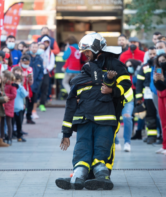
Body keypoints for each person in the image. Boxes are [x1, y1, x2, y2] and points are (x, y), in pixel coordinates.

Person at [56, 33, 131, 190]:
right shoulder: (83, 75)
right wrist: (66, 132)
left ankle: (103, 176)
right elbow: (70, 106)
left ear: (97, 48)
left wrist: (112, 90)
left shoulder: (113, 64)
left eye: (88, 51)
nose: (86, 55)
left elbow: (126, 84)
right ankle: (83, 175)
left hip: (110, 113)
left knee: (105, 147)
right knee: (85, 146)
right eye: (84, 52)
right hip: (89, 117)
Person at [114, 58, 139, 152]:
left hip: (128, 100)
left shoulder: (127, 74)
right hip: (115, 101)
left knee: (127, 118)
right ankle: (115, 141)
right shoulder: (110, 74)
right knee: (112, 120)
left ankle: (127, 142)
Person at [136, 47, 158, 144]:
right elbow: (139, 83)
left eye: (154, 53)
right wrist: (139, 97)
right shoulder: (145, 67)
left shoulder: (161, 66)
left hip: (159, 94)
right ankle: (151, 136)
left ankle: (160, 136)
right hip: (148, 95)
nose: (152, 56)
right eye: (150, 54)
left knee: (159, 117)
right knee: (149, 116)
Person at [153, 53, 166, 154]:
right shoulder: (158, 70)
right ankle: (165, 145)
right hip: (160, 96)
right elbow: (159, 86)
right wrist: (156, 81)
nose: (162, 62)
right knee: (163, 122)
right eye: (160, 61)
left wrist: (163, 79)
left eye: (164, 60)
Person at [15, 55, 34, 124]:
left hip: (26, 91)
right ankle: (16, 128)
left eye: (27, 63)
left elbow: (31, 83)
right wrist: (22, 76)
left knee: (24, 109)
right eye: (24, 63)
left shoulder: (30, 69)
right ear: (21, 61)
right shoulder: (15, 67)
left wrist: (30, 78)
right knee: (18, 110)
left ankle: (20, 127)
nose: (26, 65)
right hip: (17, 91)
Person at [27, 42, 44, 120]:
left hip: (36, 82)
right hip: (27, 82)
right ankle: (26, 112)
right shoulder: (26, 57)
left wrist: (39, 80)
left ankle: (33, 112)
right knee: (27, 98)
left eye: (36, 47)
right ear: (30, 48)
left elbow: (41, 71)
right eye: (33, 47)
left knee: (34, 98)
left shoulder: (39, 58)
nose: (34, 49)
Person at [39, 37, 55, 112]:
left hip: (46, 73)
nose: (46, 44)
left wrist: (47, 69)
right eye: (44, 42)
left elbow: (52, 63)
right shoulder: (38, 52)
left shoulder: (50, 53)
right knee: (36, 88)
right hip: (38, 72)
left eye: (47, 42)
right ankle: (33, 103)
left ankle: (42, 104)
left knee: (45, 88)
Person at [13, 70, 28, 142]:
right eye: (15, 81)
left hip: (19, 108)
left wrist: (19, 87)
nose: (16, 83)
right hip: (11, 108)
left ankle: (19, 136)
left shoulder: (20, 88)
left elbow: (25, 94)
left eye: (18, 81)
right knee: (11, 123)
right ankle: (11, 135)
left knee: (19, 123)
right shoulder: (11, 87)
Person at [2, 71, 17, 145]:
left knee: (8, 122)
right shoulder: (3, 85)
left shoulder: (12, 85)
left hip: (9, 106)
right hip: (3, 105)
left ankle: (9, 138)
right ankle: (3, 137)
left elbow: (14, 95)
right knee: (2, 123)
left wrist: (5, 95)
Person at [0, 76, 9, 147]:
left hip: (0, 108)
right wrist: (3, 98)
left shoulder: (0, 88)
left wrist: (5, 98)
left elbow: (4, 96)